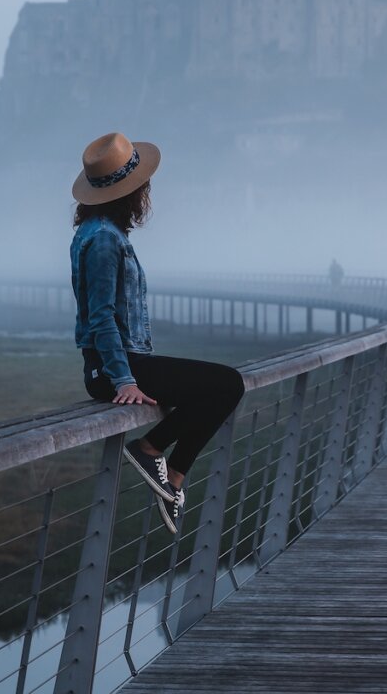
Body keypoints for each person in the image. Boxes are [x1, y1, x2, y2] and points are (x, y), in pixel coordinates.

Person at [70, 132, 245, 534]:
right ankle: (154, 454)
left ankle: (172, 477)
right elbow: (101, 317)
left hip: (125, 363)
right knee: (227, 384)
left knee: (217, 387)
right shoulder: (102, 241)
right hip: (114, 369)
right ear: (130, 192)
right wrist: (124, 378)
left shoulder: (102, 233)